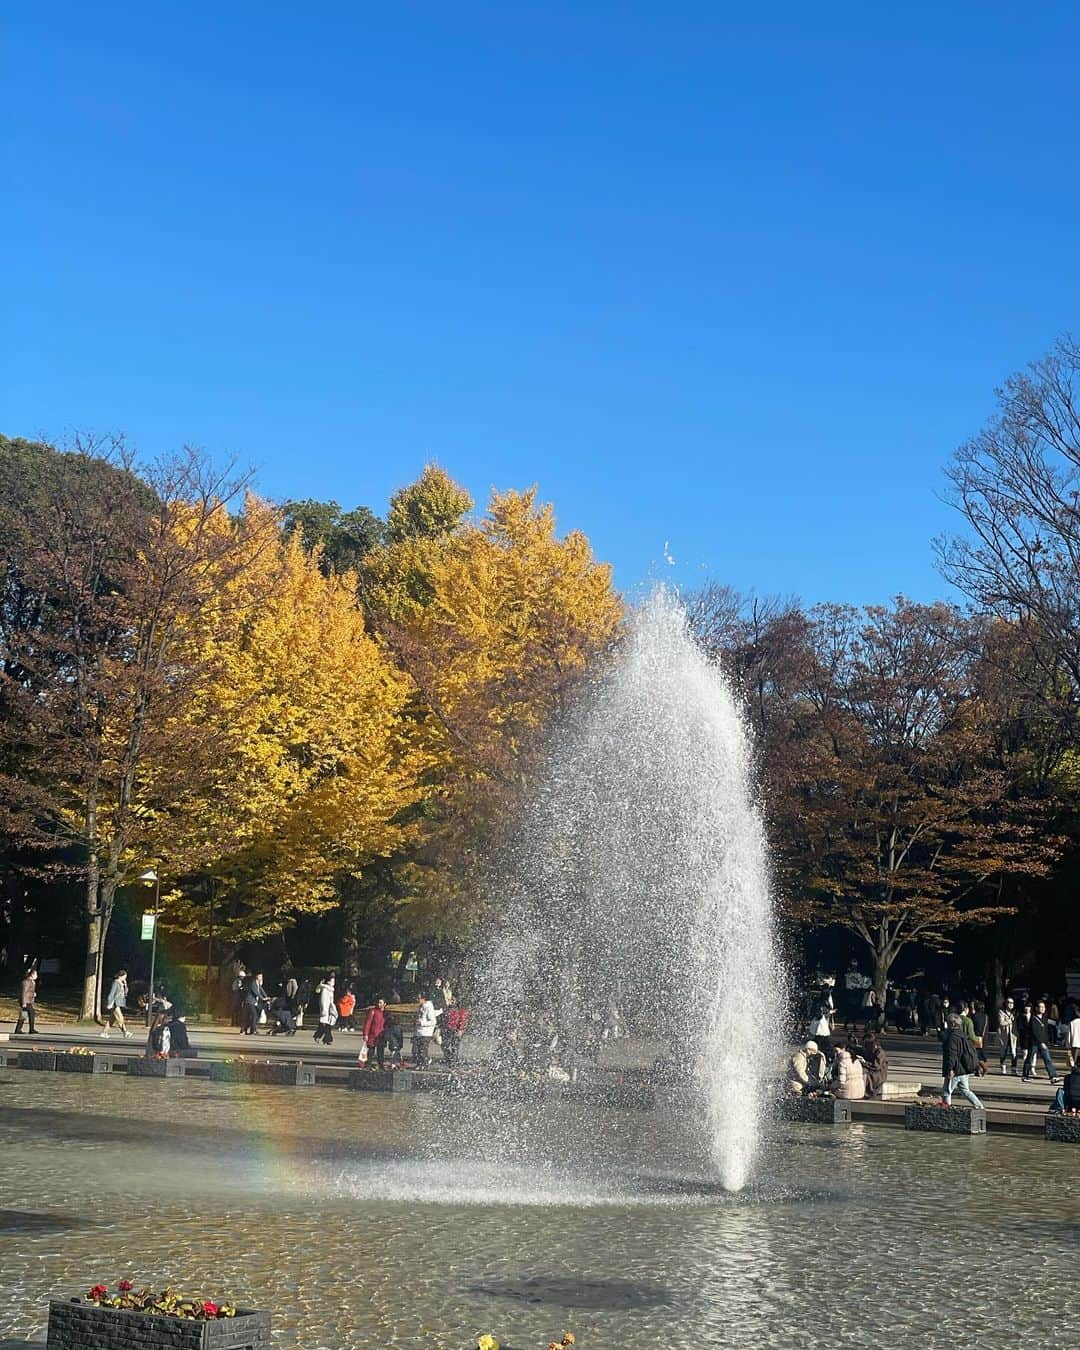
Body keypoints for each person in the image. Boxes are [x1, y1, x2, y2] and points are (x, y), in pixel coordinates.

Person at [941, 1013, 984, 1109]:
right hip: (964, 1069)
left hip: (955, 1069)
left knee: (946, 1092)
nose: (946, 1024)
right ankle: (979, 1106)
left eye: (948, 1022)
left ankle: (946, 1110)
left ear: (952, 1024)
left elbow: (952, 1054)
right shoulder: (962, 1035)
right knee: (966, 1090)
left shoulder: (952, 1037)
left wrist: (950, 1068)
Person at [1022, 1000, 1060, 1084]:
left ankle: (1053, 1076)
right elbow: (1035, 1032)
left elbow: (1045, 1031)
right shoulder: (1033, 1018)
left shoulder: (1044, 1019)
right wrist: (1041, 1042)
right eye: (1041, 1007)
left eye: (1044, 1007)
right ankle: (1025, 1075)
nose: (1043, 1009)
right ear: (1036, 1008)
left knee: (1048, 1059)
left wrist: (1046, 1041)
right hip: (1034, 1042)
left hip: (1043, 1042)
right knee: (1030, 1058)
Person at [101, 969, 132, 1038]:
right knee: (120, 1018)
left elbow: (126, 993)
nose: (125, 978)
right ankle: (125, 1032)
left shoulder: (122, 984)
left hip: (118, 1003)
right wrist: (109, 1003)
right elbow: (111, 994)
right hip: (115, 1004)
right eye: (125, 976)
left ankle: (104, 1032)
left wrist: (125, 984)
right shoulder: (116, 983)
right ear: (121, 976)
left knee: (111, 1020)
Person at [413, 990, 439, 1068]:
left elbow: (433, 1021)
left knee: (422, 1051)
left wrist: (422, 1023)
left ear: (424, 999)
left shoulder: (429, 1007)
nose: (417, 1000)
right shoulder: (420, 1007)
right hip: (418, 1032)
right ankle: (419, 1063)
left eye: (419, 998)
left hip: (426, 1033)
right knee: (415, 1051)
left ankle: (425, 1062)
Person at [861, 1032, 889, 1097]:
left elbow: (876, 1066)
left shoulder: (879, 1052)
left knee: (864, 1072)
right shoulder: (869, 1050)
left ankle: (864, 1092)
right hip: (872, 1070)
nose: (865, 1046)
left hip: (878, 1073)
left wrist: (864, 1063)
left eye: (866, 1044)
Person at [809, 990, 834, 1061]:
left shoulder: (817, 1000)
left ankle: (816, 1051)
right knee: (822, 1038)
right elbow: (824, 1011)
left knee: (819, 1038)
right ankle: (823, 1054)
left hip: (817, 1021)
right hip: (821, 1023)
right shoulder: (824, 1001)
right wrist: (831, 1011)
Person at [362, 998, 387, 1068]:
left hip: (381, 1035)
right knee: (371, 1051)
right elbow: (368, 1023)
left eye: (381, 1003)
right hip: (372, 1035)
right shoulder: (373, 1011)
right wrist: (365, 1034)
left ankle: (381, 1064)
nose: (379, 1004)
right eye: (378, 1002)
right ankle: (368, 1064)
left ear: (384, 1004)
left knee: (380, 1051)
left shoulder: (386, 1013)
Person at [313, 974, 337, 1044]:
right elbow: (323, 1000)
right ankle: (322, 1037)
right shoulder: (325, 990)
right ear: (328, 982)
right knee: (324, 1024)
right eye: (332, 981)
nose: (333, 983)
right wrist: (324, 1009)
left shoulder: (330, 989)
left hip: (329, 1009)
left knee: (328, 1023)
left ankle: (326, 1038)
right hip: (325, 1009)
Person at [998, 996, 1018, 1075]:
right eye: (1009, 1002)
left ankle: (1014, 1068)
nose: (1010, 1004)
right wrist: (1009, 1021)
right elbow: (1001, 1023)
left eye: (1012, 1003)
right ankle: (1003, 1067)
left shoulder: (1015, 1013)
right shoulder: (1001, 1012)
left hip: (1013, 1036)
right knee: (1003, 1052)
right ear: (1005, 1004)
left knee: (1014, 1052)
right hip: (1004, 1035)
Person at [13, 967, 37, 1035]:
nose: (36, 976)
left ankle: (18, 1029)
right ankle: (31, 1029)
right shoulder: (26, 982)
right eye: (35, 974)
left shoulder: (32, 982)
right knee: (31, 1013)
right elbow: (23, 992)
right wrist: (23, 1002)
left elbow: (29, 991)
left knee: (23, 1015)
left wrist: (33, 994)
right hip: (26, 1001)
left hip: (29, 1001)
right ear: (31, 975)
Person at [971, 1000, 989, 1075]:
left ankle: (983, 1068)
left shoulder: (974, 1016)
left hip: (976, 1037)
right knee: (982, 1054)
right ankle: (978, 1069)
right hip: (984, 1037)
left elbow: (973, 1027)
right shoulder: (986, 1016)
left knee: (975, 1055)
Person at [1067, 1003, 1080, 1069]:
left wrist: (1068, 1044)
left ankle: (1073, 1071)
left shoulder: (1072, 1022)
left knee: (1074, 1060)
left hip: (1075, 1044)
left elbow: (1069, 1035)